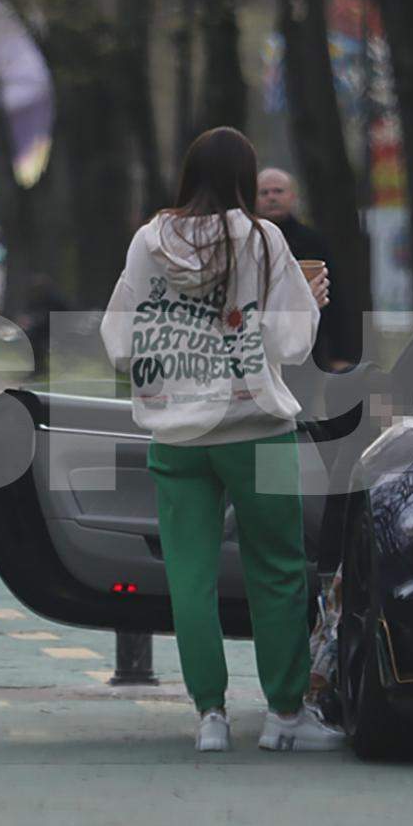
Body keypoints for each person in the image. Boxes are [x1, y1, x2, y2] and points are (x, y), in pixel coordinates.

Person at [102, 128, 342, 753]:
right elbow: (290, 342)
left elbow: (120, 340)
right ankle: (284, 715)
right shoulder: (264, 239)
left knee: (189, 575)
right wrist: (310, 301)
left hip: (176, 434)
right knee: (277, 570)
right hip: (254, 428)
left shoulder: (148, 241)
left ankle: (210, 714)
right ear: (245, 177)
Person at [255, 168, 361, 374]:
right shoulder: (246, 242)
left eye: (278, 191)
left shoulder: (312, 242)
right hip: (258, 348)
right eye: (264, 193)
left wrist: (341, 353)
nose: (271, 198)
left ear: (292, 196)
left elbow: (334, 299)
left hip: (309, 349)